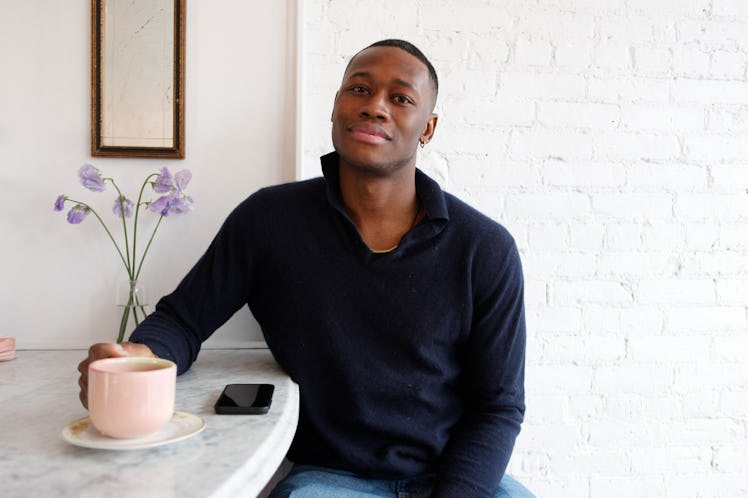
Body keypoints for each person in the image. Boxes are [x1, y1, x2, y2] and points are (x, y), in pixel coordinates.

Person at [78, 39, 532, 498]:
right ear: (336, 107)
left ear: (428, 128)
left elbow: (497, 407)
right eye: (359, 89)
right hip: (331, 480)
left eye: (400, 98)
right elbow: (183, 320)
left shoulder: (485, 249)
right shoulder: (269, 221)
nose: (375, 106)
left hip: (457, 479)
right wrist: (142, 355)